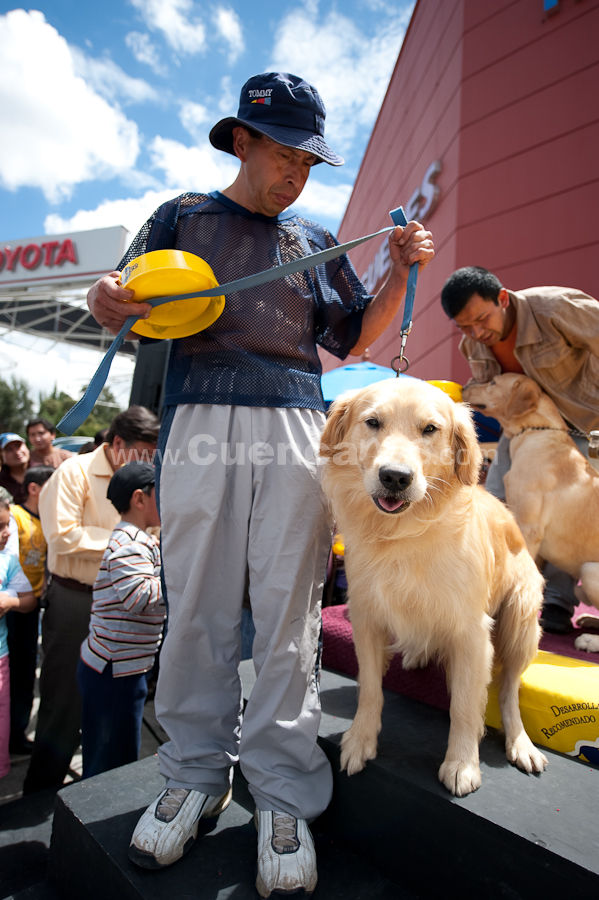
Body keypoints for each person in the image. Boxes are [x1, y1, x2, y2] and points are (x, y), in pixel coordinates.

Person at [86, 71, 434, 896]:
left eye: (309, 162)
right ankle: (192, 774)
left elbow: (352, 337)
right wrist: (104, 296)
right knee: (197, 603)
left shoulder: (315, 237)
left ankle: (282, 792)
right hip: (199, 416)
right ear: (241, 140)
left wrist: (394, 271)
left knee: (288, 613)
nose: (297, 174)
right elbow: (120, 300)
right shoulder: (180, 216)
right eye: (285, 154)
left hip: (294, 423)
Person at [441, 265, 599, 635]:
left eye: (482, 319)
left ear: (502, 299)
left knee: (567, 514)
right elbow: (490, 395)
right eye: (465, 327)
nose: (477, 333)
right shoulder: (472, 345)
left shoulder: (554, 308)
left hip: (581, 423)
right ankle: (490, 596)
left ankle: (555, 604)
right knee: (494, 501)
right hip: (523, 429)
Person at [23, 406, 160, 794]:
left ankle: (98, 798)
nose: (149, 461)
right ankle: (42, 795)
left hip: (125, 609)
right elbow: (63, 535)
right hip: (75, 601)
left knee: (112, 712)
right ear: (117, 443)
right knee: (63, 703)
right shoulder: (74, 473)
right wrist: (129, 543)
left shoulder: (145, 479)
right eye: (143, 452)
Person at [77, 461, 164, 779]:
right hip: (113, 671)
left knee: (117, 750)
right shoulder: (130, 544)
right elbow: (139, 597)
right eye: (159, 491)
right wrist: (180, 574)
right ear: (139, 498)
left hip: (121, 667)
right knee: (109, 762)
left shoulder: (138, 540)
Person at [7, 466, 54, 754]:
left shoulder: (48, 519)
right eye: (51, 485)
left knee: (24, 674)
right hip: (10, 607)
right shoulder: (14, 516)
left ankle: (16, 734)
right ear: (34, 488)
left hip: (30, 607)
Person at [0, 497, 36, 779]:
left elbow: (29, 600)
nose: (7, 533)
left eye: (7, 525)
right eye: (0, 527)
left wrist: (9, 602)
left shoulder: (9, 560)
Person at [0, 434, 30, 505]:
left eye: (18, 446)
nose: (17, 452)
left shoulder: (43, 472)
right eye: (9, 449)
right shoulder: (1, 481)